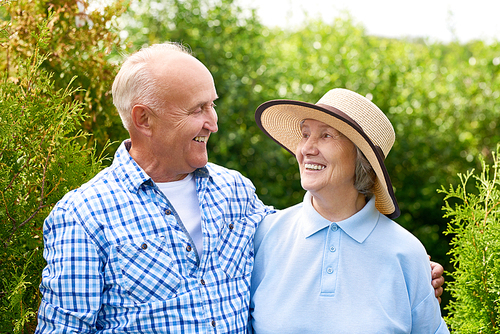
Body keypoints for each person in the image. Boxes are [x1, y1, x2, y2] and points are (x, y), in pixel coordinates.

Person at [35, 42, 444, 333]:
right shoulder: (83, 217)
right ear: (144, 120)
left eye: (212, 104)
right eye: (197, 109)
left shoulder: (235, 193)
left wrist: (408, 273)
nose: (213, 122)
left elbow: (313, 232)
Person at [250, 88, 449, 333]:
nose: (306, 149)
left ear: (361, 158)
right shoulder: (265, 235)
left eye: (326, 135)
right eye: (305, 134)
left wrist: (418, 268)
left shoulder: (407, 254)